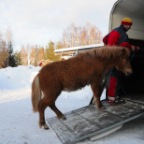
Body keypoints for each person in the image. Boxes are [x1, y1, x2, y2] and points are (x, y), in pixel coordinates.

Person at [103, 17, 139, 104]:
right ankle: (113, 99)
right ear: (125, 24)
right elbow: (124, 44)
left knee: (112, 76)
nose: (129, 28)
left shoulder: (114, 30)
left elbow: (104, 39)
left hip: (109, 57)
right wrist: (134, 47)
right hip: (116, 58)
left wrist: (108, 46)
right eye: (129, 26)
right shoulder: (123, 34)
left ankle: (112, 97)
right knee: (115, 77)